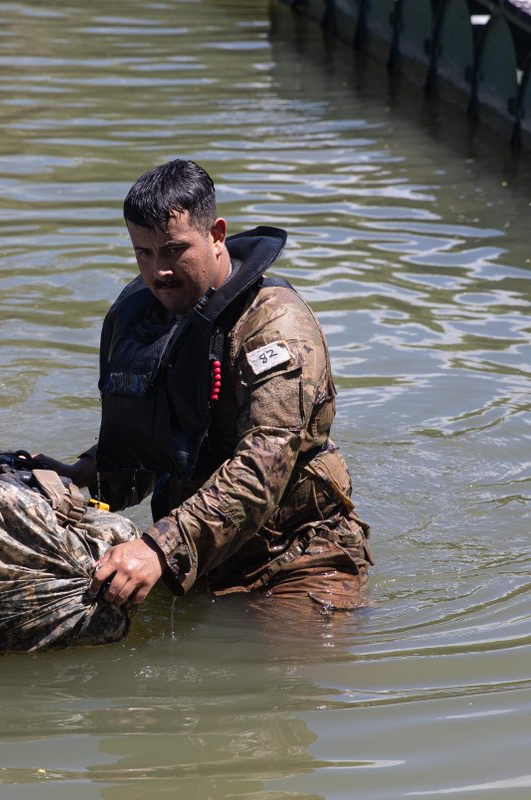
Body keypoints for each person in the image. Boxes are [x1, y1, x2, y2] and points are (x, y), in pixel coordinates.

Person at [40, 160, 371, 611]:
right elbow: (147, 440)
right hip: (193, 555)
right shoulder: (139, 316)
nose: (158, 272)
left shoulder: (275, 326)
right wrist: (87, 474)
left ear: (216, 234)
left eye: (175, 250)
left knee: (282, 674)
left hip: (294, 559)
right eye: (144, 253)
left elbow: (262, 469)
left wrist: (158, 548)